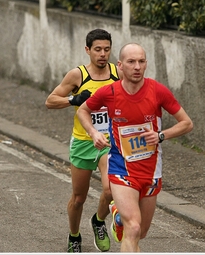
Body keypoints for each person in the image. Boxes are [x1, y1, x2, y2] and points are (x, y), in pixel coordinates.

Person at [77, 43, 193, 252]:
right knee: (134, 227)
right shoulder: (109, 92)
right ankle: (124, 218)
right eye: (131, 62)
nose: (137, 66)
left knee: (142, 232)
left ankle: (119, 217)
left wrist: (160, 135)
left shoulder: (158, 91)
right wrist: (94, 133)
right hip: (122, 169)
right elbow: (83, 111)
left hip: (151, 171)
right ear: (120, 66)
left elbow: (186, 123)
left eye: (141, 61)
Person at [45, 28, 122, 253]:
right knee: (79, 198)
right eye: (97, 49)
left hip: (108, 141)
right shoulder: (77, 75)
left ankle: (99, 221)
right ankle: (74, 236)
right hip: (82, 141)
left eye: (107, 49)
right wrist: (74, 99)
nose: (103, 54)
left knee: (110, 190)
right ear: (87, 50)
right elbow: (50, 101)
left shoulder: (118, 73)